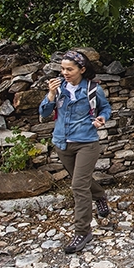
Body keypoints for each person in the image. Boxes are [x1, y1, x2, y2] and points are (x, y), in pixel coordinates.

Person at [39, 50, 112, 254]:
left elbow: (105, 109)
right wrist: (51, 95)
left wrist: (102, 118)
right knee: (82, 180)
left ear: (82, 69)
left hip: (86, 142)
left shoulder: (92, 89)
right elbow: (44, 113)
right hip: (62, 143)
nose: (65, 73)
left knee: (78, 186)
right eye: (62, 69)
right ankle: (100, 196)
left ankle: (83, 231)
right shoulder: (58, 88)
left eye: (69, 69)